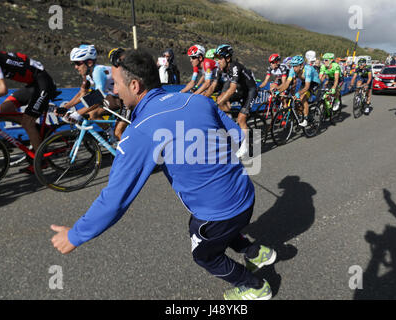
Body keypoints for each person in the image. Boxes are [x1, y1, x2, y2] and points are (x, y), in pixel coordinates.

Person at [50, 48, 277, 301]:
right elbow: (236, 137)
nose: (114, 90)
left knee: (204, 254)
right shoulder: (199, 100)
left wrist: (75, 235)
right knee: (209, 227)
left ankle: (254, 286)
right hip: (244, 194)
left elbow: (114, 200)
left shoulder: (140, 132)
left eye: (116, 84)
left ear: (134, 85)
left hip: (217, 211)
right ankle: (257, 252)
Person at [0, 34, 57, 172]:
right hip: (33, 84)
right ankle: (39, 130)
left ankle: (41, 162)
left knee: (27, 122)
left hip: (43, 82)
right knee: (4, 108)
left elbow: (1, 89)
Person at [59, 44, 123, 142]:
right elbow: (81, 93)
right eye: (74, 64)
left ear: (89, 63)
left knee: (118, 132)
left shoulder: (98, 71)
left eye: (78, 63)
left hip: (124, 98)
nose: (76, 67)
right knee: (92, 114)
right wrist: (65, 107)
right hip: (113, 97)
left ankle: (119, 141)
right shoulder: (87, 74)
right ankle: (111, 134)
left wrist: (77, 113)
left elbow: (99, 98)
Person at [215, 44, 258, 133]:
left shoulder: (235, 67)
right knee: (221, 99)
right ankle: (230, 124)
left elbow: (232, 89)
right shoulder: (224, 69)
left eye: (220, 58)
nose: (217, 61)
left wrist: (220, 101)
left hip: (250, 91)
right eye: (217, 58)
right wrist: (221, 100)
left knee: (241, 119)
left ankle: (245, 146)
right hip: (241, 90)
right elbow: (223, 86)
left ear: (227, 59)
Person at [277, 55, 321, 127]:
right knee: (296, 100)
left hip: (314, 83)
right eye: (293, 66)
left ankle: (306, 119)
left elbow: (307, 87)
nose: (294, 68)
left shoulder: (308, 70)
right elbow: (287, 83)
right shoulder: (292, 70)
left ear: (301, 65)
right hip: (305, 82)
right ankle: (301, 115)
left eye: (296, 66)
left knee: (303, 97)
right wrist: (279, 91)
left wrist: (298, 93)